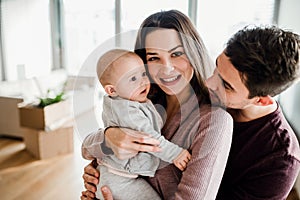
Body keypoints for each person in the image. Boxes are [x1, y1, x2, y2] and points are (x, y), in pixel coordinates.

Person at [81, 9, 234, 200]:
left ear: (193, 52)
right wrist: (107, 140)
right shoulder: (141, 97)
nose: (167, 68)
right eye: (154, 58)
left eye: (177, 54)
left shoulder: (213, 120)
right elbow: (86, 149)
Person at [84, 48, 191, 200]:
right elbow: (149, 138)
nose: (143, 81)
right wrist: (176, 154)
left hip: (121, 176)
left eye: (143, 74)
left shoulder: (133, 99)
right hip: (119, 180)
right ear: (112, 90)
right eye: (133, 79)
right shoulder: (127, 110)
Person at [207, 25, 300, 200]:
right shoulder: (210, 97)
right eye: (216, 67)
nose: (208, 83)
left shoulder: (280, 161)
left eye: (226, 86)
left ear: (262, 100)